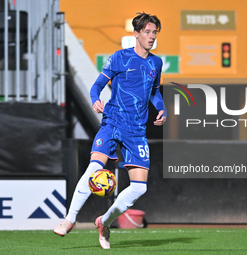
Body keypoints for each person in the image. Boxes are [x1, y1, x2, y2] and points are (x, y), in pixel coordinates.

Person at [54, 11, 166, 249]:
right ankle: (69, 219)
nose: (151, 36)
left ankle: (104, 222)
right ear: (136, 33)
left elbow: (155, 91)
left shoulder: (156, 62)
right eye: (147, 31)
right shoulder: (120, 58)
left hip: (136, 131)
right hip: (112, 122)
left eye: (154, 32)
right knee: (94, 168)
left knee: (139, 187)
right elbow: (96, 86)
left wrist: (161, 108)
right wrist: (95, 99)